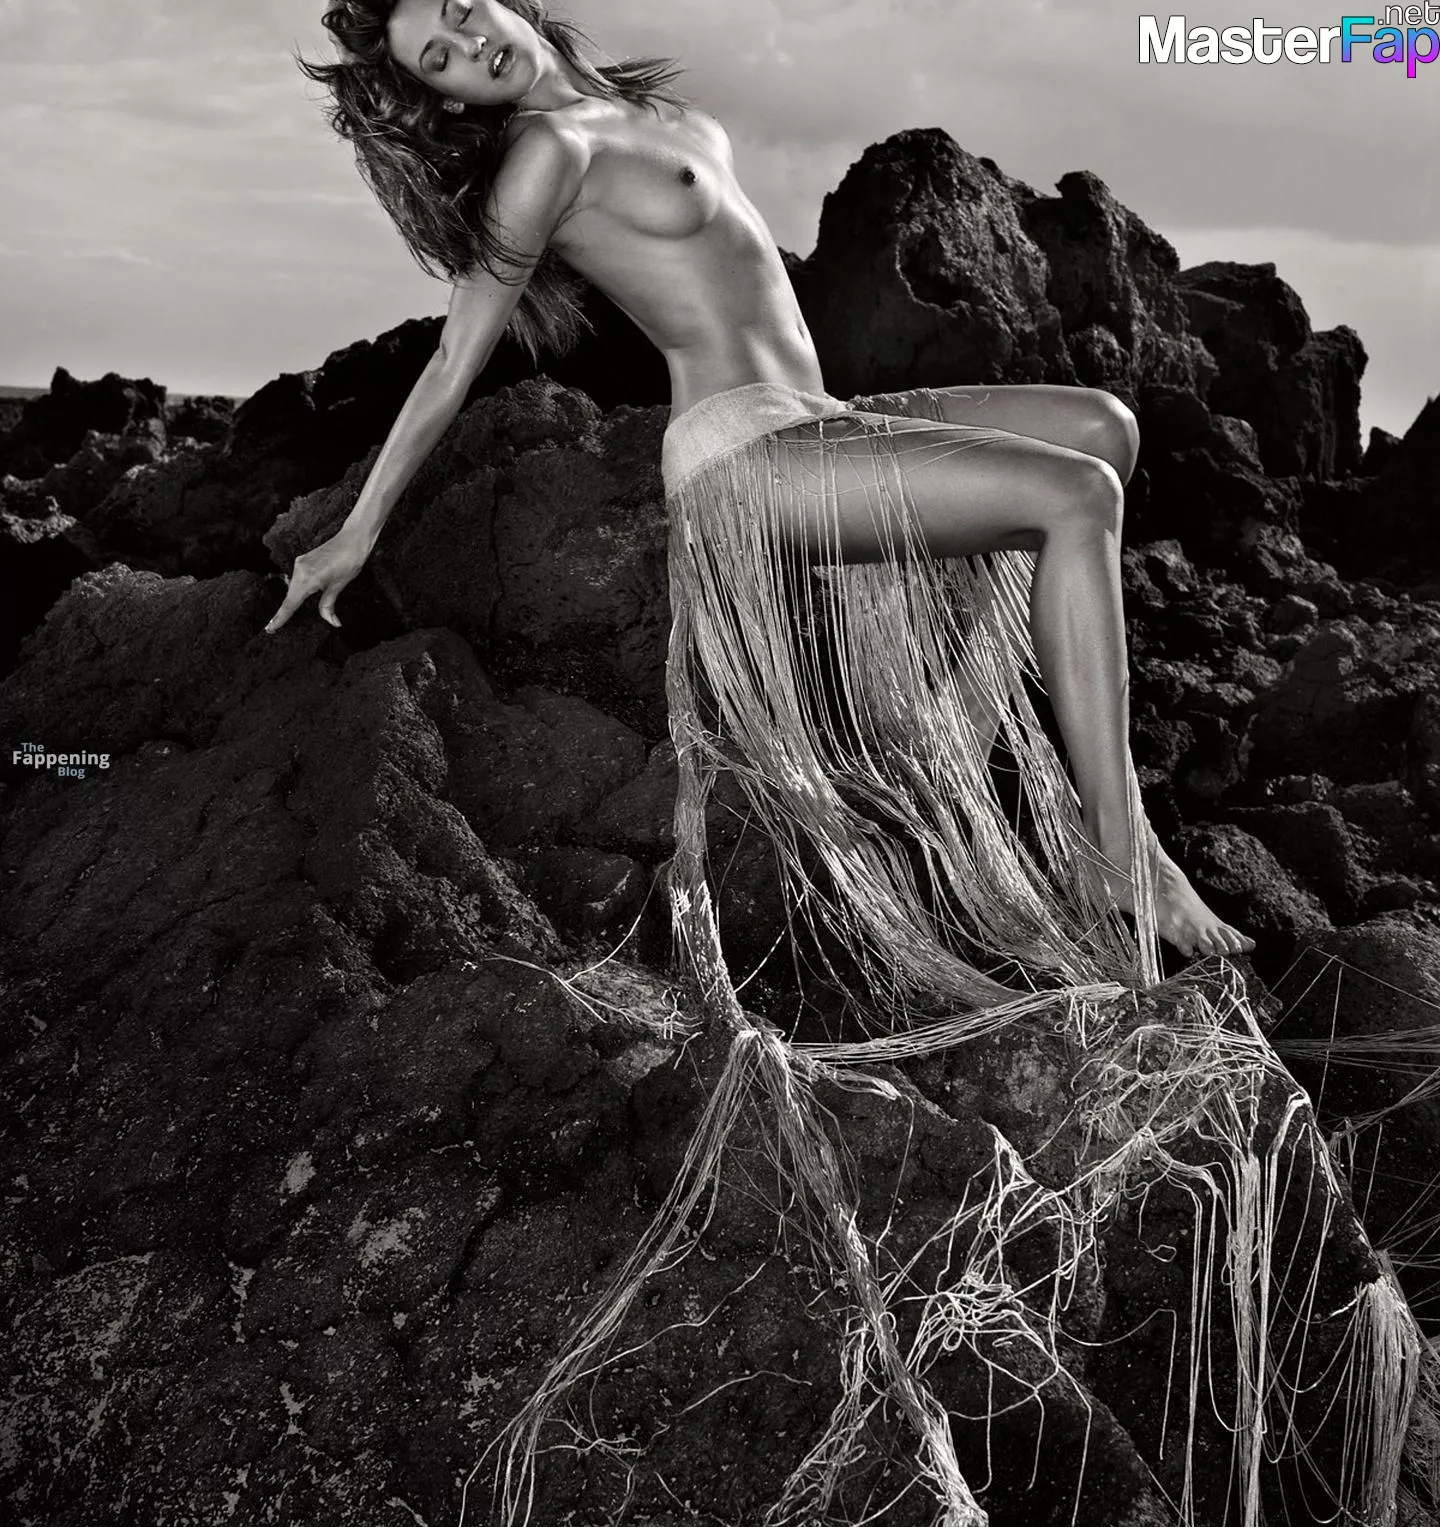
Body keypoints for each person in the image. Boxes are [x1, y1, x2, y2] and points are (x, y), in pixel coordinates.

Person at [266, 0, 1255, 963]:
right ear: (445, 101)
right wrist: (358, 529)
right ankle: (1121, 856)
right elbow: (453, 360)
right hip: (740, 456)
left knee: (1104, 429)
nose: (470, 43)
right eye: (439, 60)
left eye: (460, 11)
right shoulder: (546, 156)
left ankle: (945, 725)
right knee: (1078, 496)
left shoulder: (635, 107)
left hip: (817, 416)